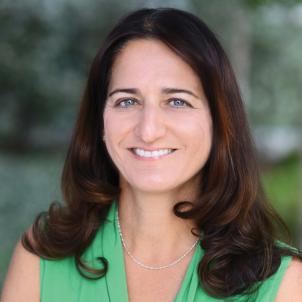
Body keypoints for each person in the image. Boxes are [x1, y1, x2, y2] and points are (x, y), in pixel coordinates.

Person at [1, 7, 302, 302]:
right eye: (128, 101)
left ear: (220, 121)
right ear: (100, 120)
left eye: (177, 102)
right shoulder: (41, 259)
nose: (148, 130)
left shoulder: (283, 285)